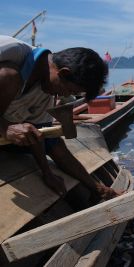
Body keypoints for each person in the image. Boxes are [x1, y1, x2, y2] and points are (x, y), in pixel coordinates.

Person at [0, 35, 119, 200]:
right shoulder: (9, 51)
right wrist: (5, 128)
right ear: (63, 73)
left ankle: (97, 189)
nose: (65, 96)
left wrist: (47, 173)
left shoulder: (44, 96)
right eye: (69, 91)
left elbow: (41, 139)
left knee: (51, 141)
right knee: (8, 76)